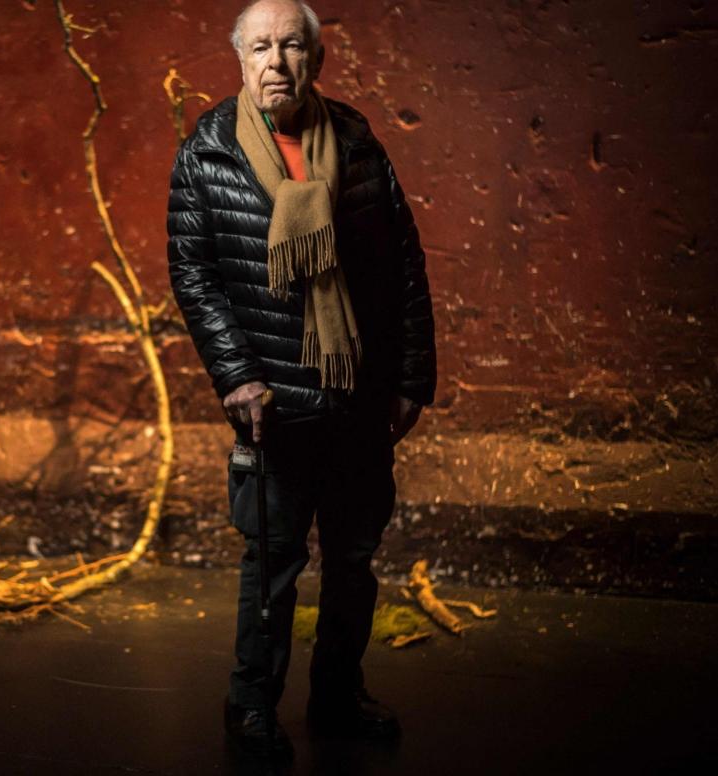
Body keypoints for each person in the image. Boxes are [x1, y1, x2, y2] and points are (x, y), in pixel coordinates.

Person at [165, 0, 437, 758]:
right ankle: (249, 705)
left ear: (315, 60)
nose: (275, 61)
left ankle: (337, 696)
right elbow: (194, 274)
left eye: (291, 46)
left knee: (351, 561)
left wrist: (411, 375)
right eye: (259, 47)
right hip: (273, 406)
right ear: (239, 59)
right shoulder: (209, 151)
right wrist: (237, 377)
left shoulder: (354, 140)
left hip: (357, 398)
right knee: (273, 562)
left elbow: (403, 264)